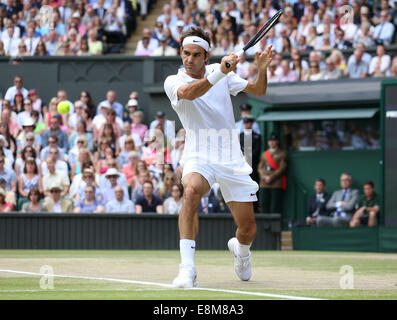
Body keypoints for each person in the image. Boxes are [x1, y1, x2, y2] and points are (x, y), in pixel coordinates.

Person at [164, 26, 272, 288]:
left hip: (231, 157)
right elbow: (190, 93)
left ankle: (241, 251)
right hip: (198, 154)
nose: (189, 59)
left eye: (196, 55)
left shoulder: (221, 72)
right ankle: (187, 269)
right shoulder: (173, 81)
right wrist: (221, 71)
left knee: (248, 230)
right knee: (190, 191)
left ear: (206, 55)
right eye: (185, 53)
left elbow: (259, 90)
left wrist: (262, 68)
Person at [257, 132, 287, 214]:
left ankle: (275, 225)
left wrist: (271, 177)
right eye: (270, 141)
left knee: (275, 206)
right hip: (264, 182)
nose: (272, 142)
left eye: (274, 140)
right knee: (264, 203)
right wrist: (264, 177)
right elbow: (260, 167)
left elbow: (282, 168)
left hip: (276, 182)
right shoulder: (264, 154)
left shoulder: (282, 153)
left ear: (277, 142)